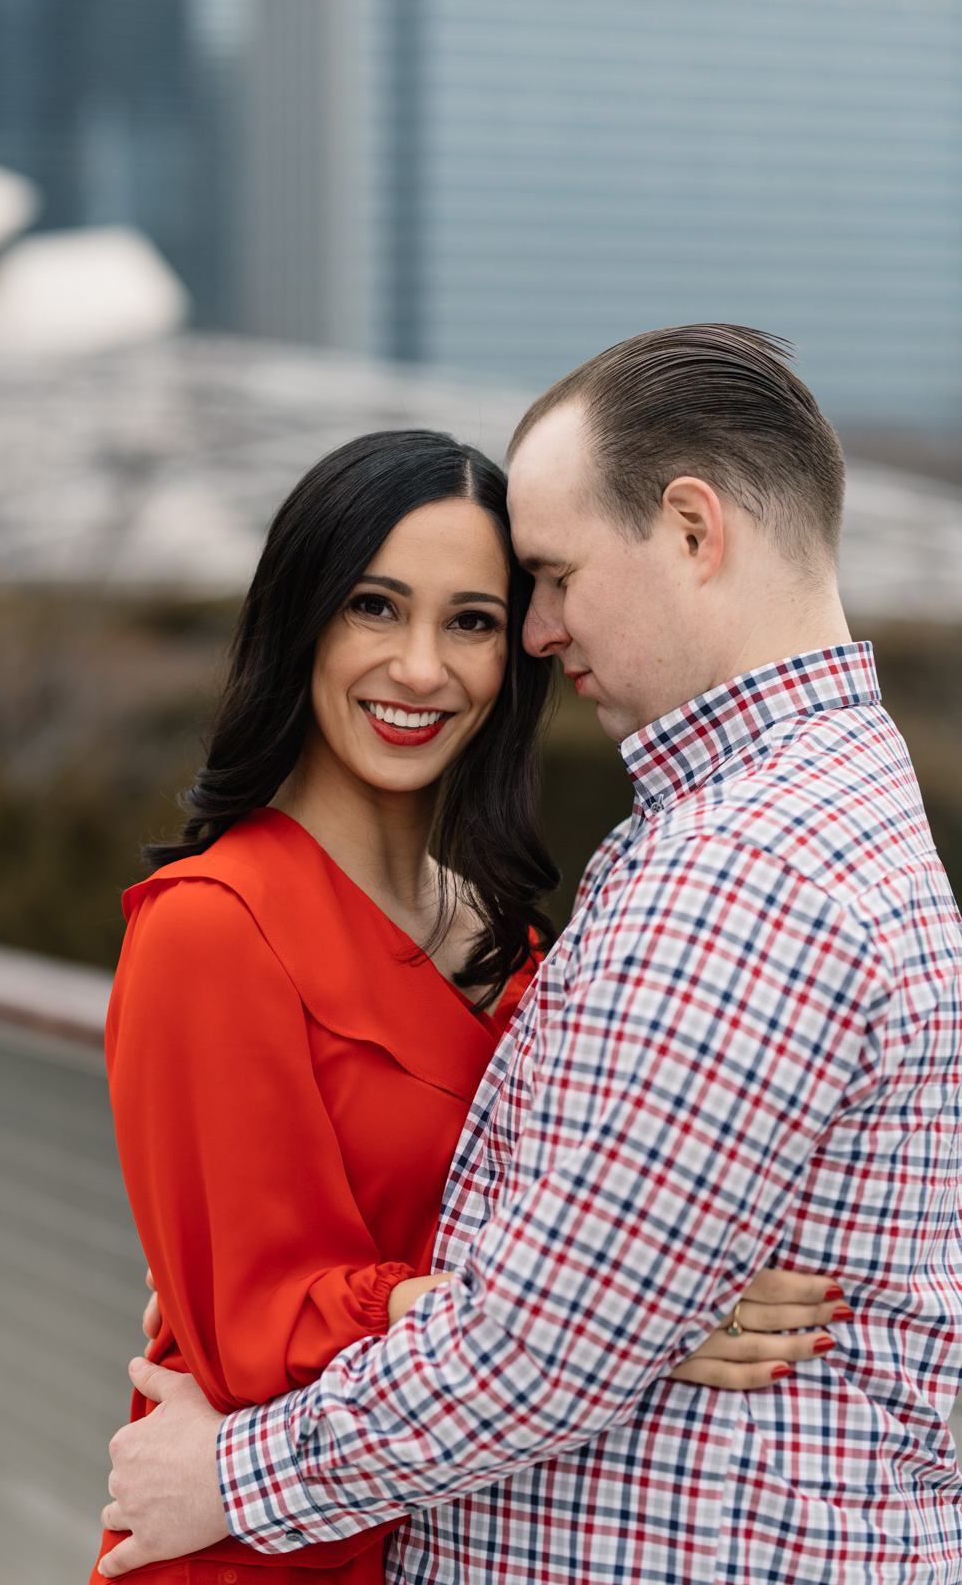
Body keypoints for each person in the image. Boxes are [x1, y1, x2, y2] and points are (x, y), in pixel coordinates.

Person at [97, 336, 932, 1582]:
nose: (443, 659)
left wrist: (609, 1315)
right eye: (372, 605)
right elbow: (260, 1320)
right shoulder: (213, 922)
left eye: (492, 609)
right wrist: (619, 1317)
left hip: (355, 1496)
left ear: (692, 531)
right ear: (299, 621)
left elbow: (563, 1298)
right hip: (268, 1547)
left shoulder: (559, 921)